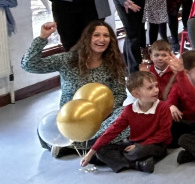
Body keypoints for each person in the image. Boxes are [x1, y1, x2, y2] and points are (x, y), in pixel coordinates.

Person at [22, 21, 127, 155]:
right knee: (46, 127)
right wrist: (42, 38)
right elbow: (29, 65)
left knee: (128, 113)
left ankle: (79, 145)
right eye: (96, 35)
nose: (102, 39)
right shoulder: (68, 59)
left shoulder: (114, 63)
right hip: (71, 121)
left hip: (101, 121)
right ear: (87, 38)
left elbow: (120, 94)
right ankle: (96, 145)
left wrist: (101, 113)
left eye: (106, 36)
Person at [80, 71, 171, 173]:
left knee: (137, 151)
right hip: (133, 144)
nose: (156, 90)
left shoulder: (163, 107)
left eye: (156, 86)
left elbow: (164, 134)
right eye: (150, 88)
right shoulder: (129, 110)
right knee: (101, 151)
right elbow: (113, 130)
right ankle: (136, 165)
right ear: (136, 94)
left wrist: (140, 145)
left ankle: (122, 160)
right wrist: (91, 152)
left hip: (155, 145)